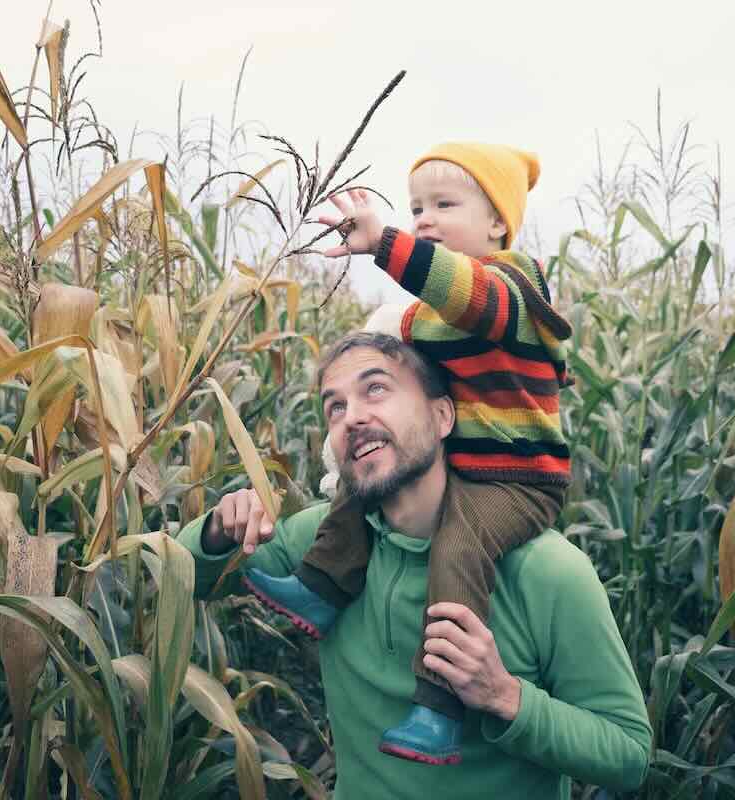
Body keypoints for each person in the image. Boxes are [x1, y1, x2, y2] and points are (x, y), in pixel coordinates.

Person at [175, 331, 651, 799]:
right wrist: (218, 530)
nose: (352, 417)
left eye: (375, 389)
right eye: (335, 407)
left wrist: (505, 696)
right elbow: (183, 575)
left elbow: (629, 754)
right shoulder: (321, 544)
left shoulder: (547, 570)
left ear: (443, 416)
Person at [242, 143, 574, 764]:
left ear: (497, 223)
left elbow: (467, 295)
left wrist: (384, 242)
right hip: (465, 464)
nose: (425, 218)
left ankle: (440, 705)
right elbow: (392, 359)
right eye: (417, 208)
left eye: (445, 205)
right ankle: (321, 587)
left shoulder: (513, 286)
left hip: (520, 478)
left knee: (460, 544)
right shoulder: (429, 316)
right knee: (365, 474)